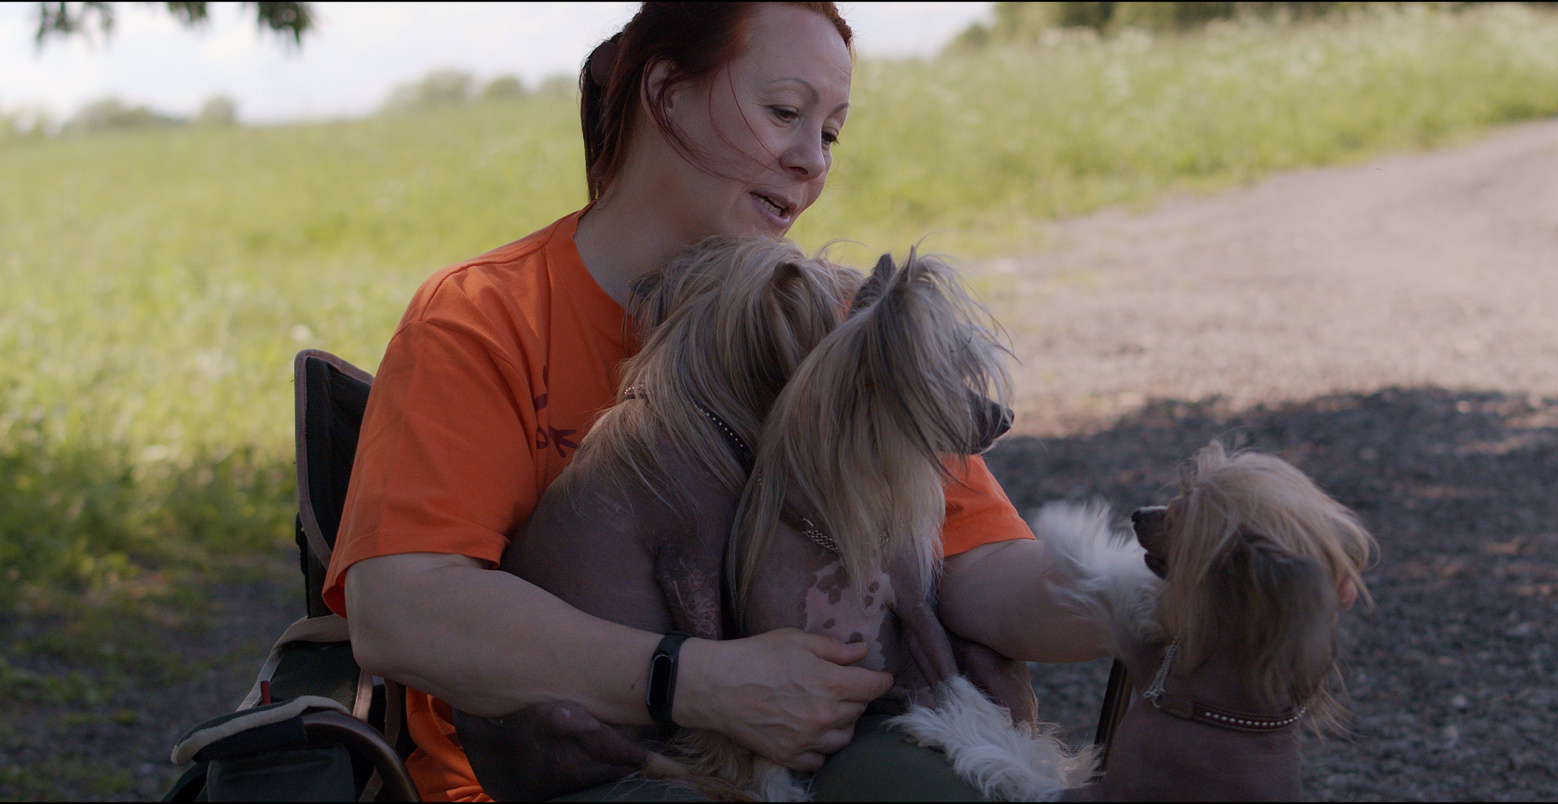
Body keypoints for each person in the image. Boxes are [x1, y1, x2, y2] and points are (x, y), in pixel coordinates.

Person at [323, 4, 1111, 800]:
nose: (812, 161)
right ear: (666, 93)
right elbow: (401, 610)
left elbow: (977, 565)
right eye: (785, 112)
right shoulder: (485, 319)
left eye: (831, 133)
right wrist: (700, 682)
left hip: (819, 758)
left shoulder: (835, 328)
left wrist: (1145, 597)